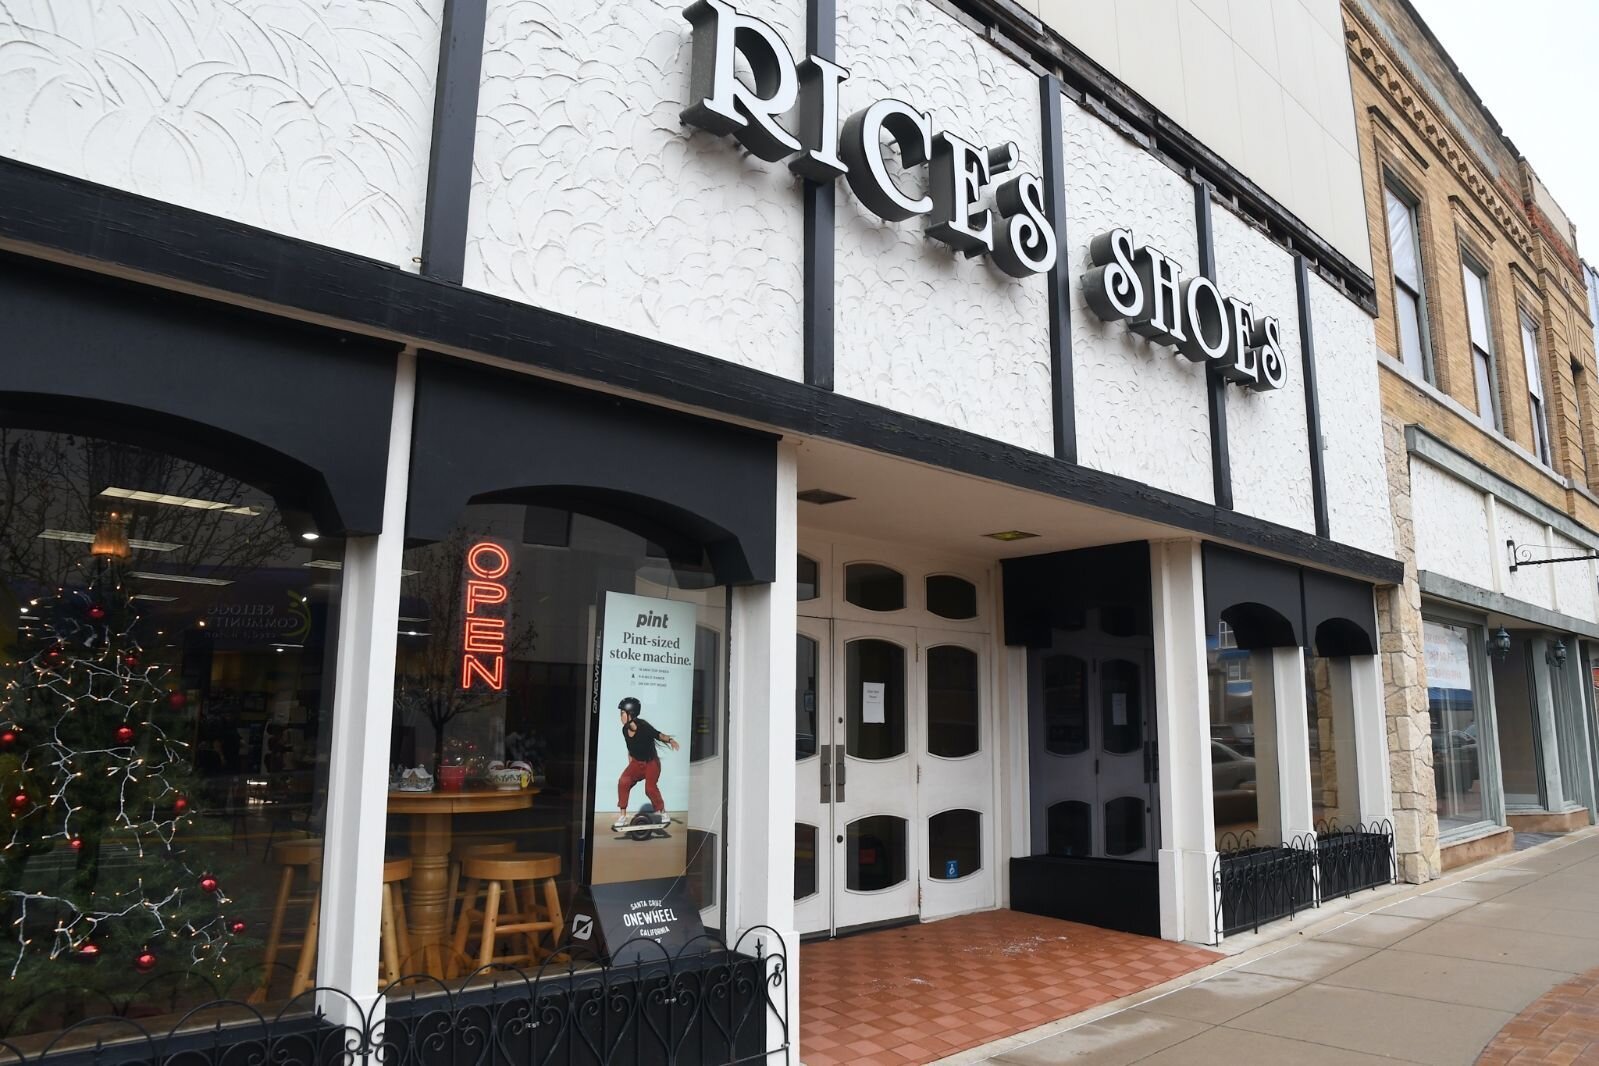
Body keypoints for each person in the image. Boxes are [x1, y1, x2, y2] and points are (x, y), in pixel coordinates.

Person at [614, 696, 679, 830]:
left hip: (651, 763)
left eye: (622, 713)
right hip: (637, 763)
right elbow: (630, 748)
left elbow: (658, 735)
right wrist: (631, 766)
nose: (620, 716)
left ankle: (662, 812)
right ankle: (622, 816)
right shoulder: (624, 730)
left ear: (631, 714)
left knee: (649, 788)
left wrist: (671, 740)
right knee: (623, 781)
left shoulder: (643, 727)